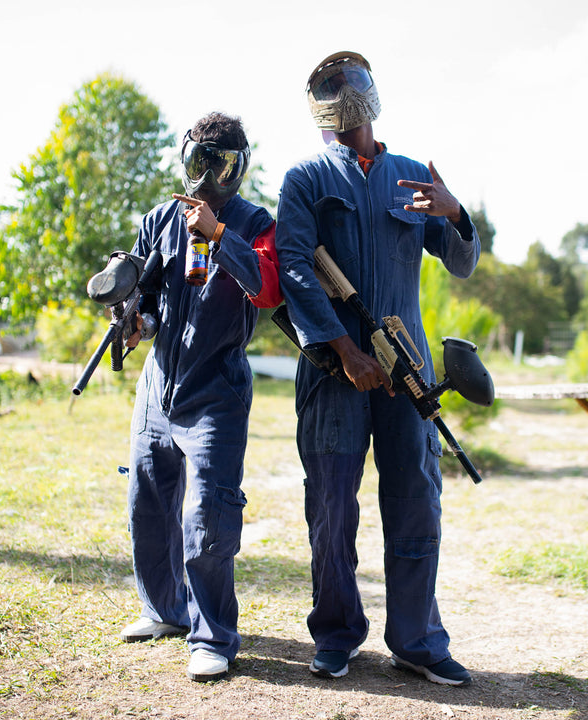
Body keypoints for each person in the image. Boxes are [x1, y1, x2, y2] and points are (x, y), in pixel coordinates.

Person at [275, 52, 481, 684]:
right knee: (332, 507)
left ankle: (417, 639)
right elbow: (293, 267)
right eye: (330, 85)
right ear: (319, 106)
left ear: (372, 90)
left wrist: (454, 213)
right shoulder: (305, 179)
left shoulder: (413, 177)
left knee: (417, 500)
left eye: (353, 78)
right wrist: (344, 349)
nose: (345, 91)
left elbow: (463, 262)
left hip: (407, 369)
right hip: (335, 372)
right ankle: (336, 634)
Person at [120, 111, 282, 682]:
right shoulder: (159, 217)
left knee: (207, 512)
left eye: (219, 166)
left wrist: (218, 234)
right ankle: (163, 610)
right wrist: (135, 317)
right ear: (185, 160)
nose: (205, 178)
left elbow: (265, 289)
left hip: (217, 389)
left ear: (237, 170)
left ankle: (212, 635)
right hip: (159, 385)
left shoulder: (257, 223)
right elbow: (148, 295)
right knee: (149, 502)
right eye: (198, 163)